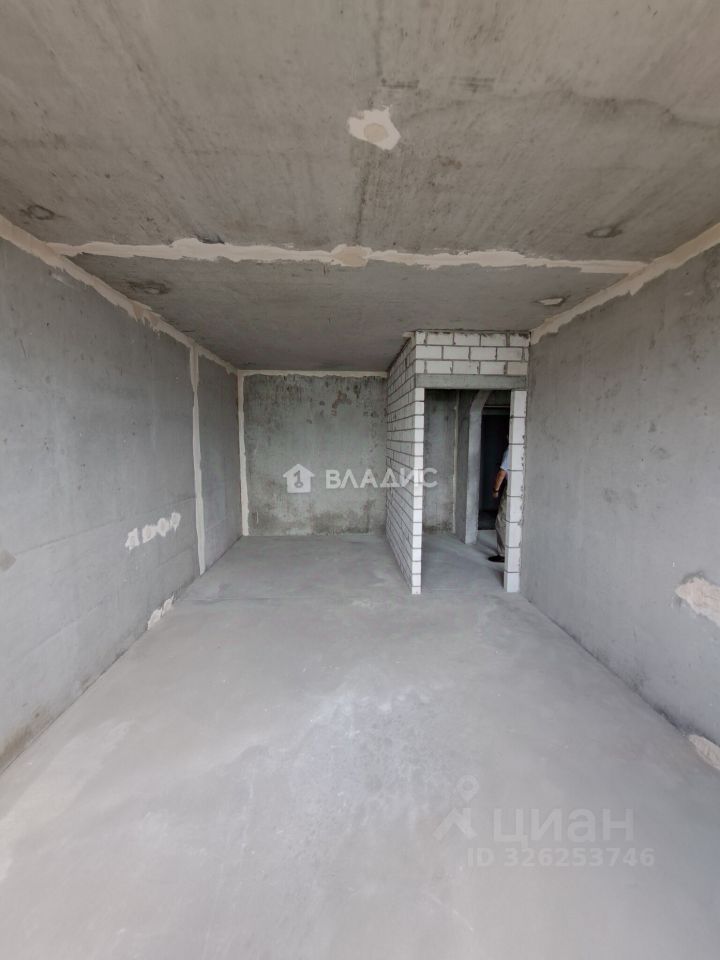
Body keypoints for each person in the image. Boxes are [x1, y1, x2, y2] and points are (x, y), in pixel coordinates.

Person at [489, 446, 509, 563]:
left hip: (511, 487)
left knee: (501, 521)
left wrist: (495, 490)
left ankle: (503, 554)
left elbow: (502, 472)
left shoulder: (510, 450)